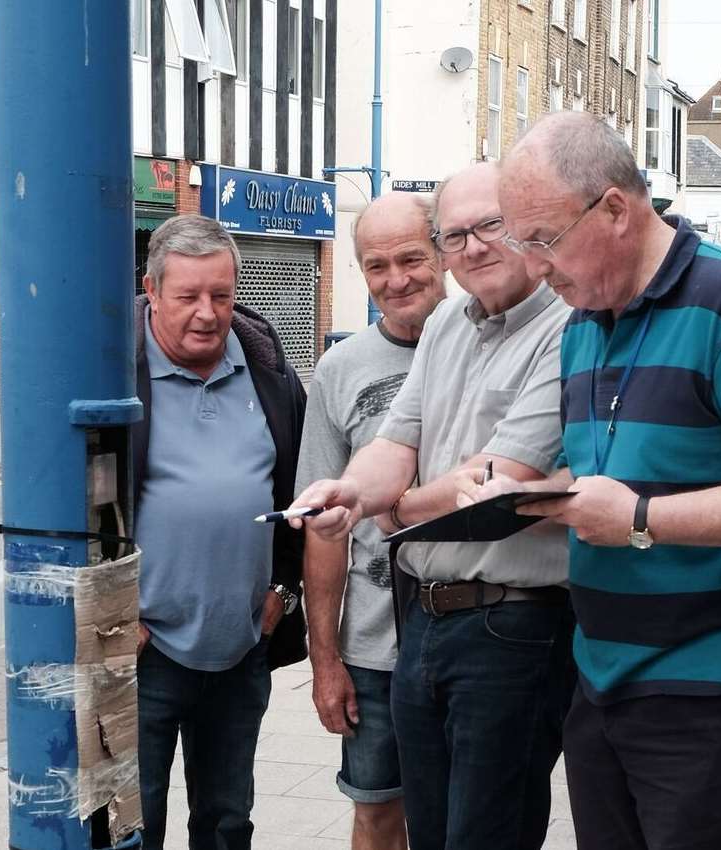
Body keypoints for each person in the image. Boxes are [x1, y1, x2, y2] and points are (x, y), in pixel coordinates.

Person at [470, 110, 721, 850]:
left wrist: (642, 518)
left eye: (543, 240)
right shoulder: (587, 317)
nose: (536, 267)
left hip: (712, 679)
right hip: (606, 672)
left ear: (614, 208)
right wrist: (532, 499)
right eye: (524, 243)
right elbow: (618, 469)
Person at [291, 162, 573, 850]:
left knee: (483, 835)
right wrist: (350, 495)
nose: (473, 247)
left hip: (513, 624)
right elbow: (395, 440)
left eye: (490, 226)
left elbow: (502, 477)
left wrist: (396, 509)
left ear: (526, 226)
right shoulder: (449, 322)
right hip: (426, 619)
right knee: (428, 830)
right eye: (456, 235)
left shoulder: (567, 325)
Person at [131, 214, 308, 850]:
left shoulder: (268, 373)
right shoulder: (116, 372)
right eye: (187, 297)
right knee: (134, 827)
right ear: (151, 291)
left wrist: (283, 593)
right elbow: (78, 511)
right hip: (143, 654)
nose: (208, 313)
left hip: (239, 648)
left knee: (228, 824)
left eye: (222, 296)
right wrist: (110, 618)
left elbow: (296, 498)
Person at [296, 192, 446, 850]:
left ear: (444, 253)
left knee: (472, 817)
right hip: (375, 652)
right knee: (378, 812)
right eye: (376, 265)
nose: (396, 279)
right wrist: (325, 661)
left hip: (475, 633)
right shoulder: (340, 369)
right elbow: (322, 533)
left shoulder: (489, 348)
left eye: (412, 258)